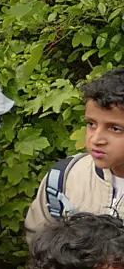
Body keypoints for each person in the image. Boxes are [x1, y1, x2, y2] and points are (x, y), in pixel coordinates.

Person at [26, 68, 124, 234]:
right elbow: (38, 240)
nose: (96, 139)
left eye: (115, 128)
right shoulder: (64, 178)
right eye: (91, 124)